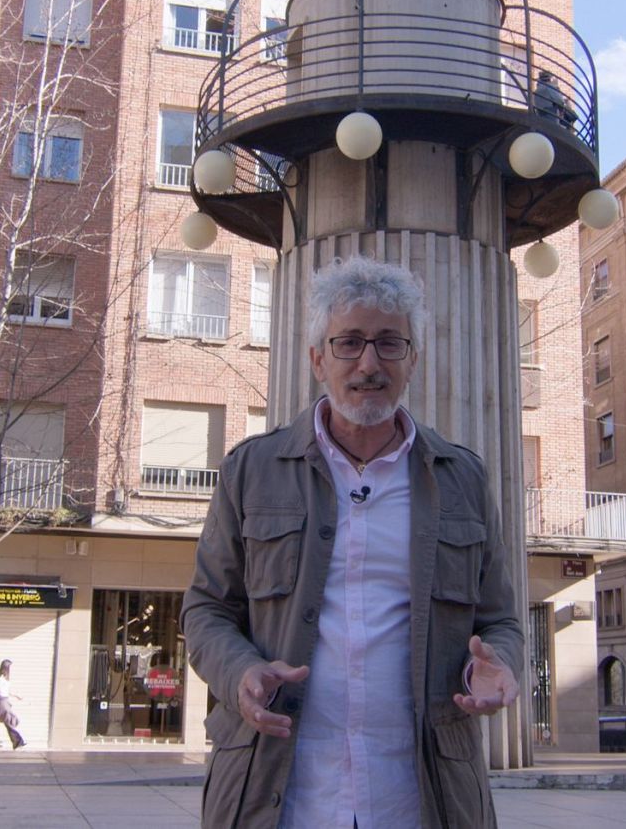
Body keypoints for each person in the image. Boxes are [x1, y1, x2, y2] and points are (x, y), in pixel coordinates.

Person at [183, 255, 523, 828]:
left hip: (422, 800)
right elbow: (207, 610)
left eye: (390, 343)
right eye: (349, 343)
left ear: (413, 360)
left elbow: (501, 623)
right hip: (283, 796)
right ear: (318, 358)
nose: (370, 362)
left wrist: (497, 667)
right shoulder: (252, 470)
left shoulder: (462, 478)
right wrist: (239, 670)